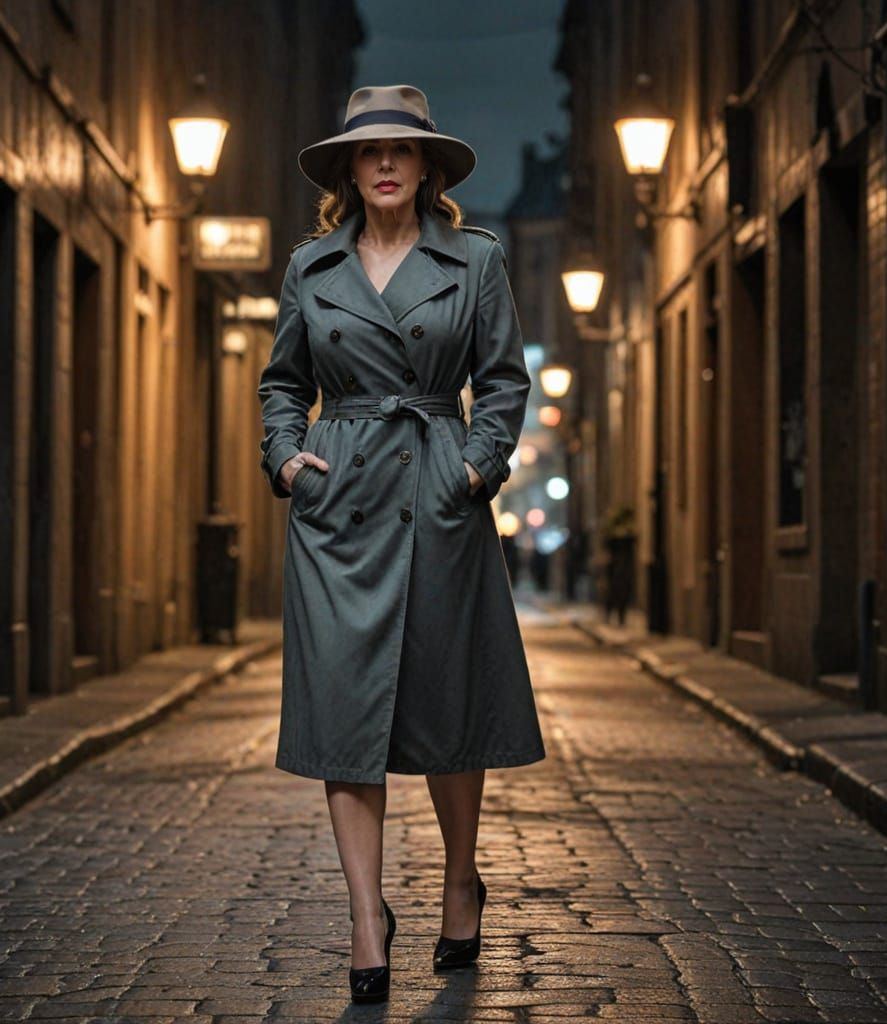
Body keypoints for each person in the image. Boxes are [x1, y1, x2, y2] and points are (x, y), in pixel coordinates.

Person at [257, 84, 545, 1004]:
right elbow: (280, 385)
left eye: (403, 151)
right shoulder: (311, 268)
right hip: (337, 503)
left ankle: (461, 882)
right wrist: (287, 461)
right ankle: (364, 914)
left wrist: (474, 469)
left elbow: (502, 383)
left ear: (426, 168)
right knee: (345, 711)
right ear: (349, 168)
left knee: (449, 701)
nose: (385, 164)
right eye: (368, 151)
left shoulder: (475, 260)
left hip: (437, 493)